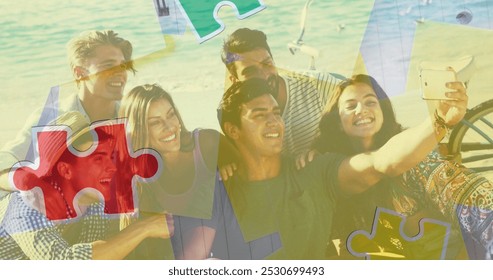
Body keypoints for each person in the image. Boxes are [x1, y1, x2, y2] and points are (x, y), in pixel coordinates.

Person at [186, 77, 466, 259]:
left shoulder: (313, 170)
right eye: (260, 116)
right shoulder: (218, 189)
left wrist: (439, 120)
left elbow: (381, 162)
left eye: (276, 113)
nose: (274, 122)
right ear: (232, 130)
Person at [310, 74, 492, 259]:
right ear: (338, 122)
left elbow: (470, 195)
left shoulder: (415, 161)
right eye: (350, 106)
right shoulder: (330, 169)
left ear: (384, 112)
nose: (362, 110)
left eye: (371, 102)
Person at [0, 111, 173, 260]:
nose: (112, 167)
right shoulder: (25, 206)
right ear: (65, 171)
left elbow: (111, 248)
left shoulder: (94, 203)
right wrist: (143, 228)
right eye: (97, 159)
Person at [0, 30, 135, 191]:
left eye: (123, 66)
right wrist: (23, 180)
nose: (120, 73)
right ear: (79, 73)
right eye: (108, 65)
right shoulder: (52, 117)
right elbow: (6, 163)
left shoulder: (134, 118)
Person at [118, 84, 223, 259]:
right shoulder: (138, 181)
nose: (169, 127)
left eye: (171, 115)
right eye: (155, 122)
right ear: (138, 131)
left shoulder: (207, 144)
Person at [220, 28, 341, 157]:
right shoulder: (235, 111)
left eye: (267, 64)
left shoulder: (317, 85)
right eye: (250, 72)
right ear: (234, 81)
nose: (264, 76)